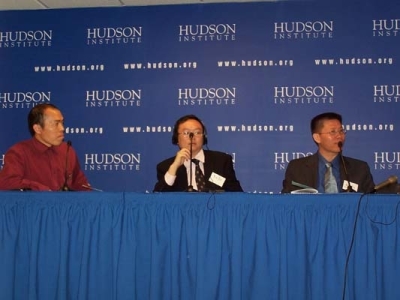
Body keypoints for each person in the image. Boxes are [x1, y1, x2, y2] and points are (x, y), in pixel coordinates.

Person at [0, 103, 90, 191]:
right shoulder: (19, 152)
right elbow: (7, 182)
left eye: (62, 123)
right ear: (38, 129)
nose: (62, 128)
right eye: (56, 124)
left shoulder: (67, 150)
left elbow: (80, 184)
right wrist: (40, 189)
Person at [282, 112, 375, 193]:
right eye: (333, 132)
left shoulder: (360, 169)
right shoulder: (297, 168)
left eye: (341, 131)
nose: (339, 136)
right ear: (317, 137)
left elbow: (371, 202)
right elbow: (287, 204)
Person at [153, 114, 243, 192]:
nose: (192, 137)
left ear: (204, 137)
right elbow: (158, 198)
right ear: (177, 139)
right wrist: (174, 166)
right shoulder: (166, 167)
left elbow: (236, 194)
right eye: (186, 133)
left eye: (197, 132)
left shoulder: (222, 161)